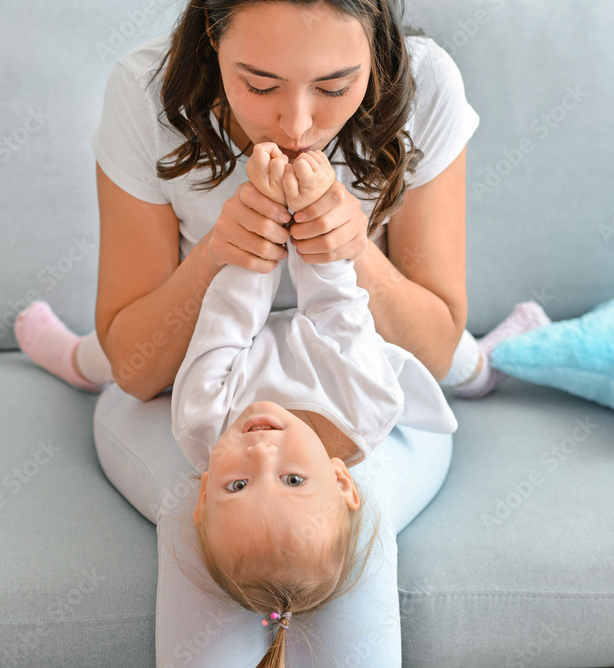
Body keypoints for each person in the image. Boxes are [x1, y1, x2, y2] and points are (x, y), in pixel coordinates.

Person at [14, 0, 550, 663]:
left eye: (334, 86)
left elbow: (433, 347)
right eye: (259, 84)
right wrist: (220, 253)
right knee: (216, 524)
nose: (298, 124)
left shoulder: (426, 83)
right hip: (195, 355)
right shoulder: (146, 92)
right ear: (212, 39)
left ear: (378, 47)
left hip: (351, 349)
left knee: (333, 527)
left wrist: (352, 248)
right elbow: (138, 365)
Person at [172, 140, 459, 665]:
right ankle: (483, 366)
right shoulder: (367, 405)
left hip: (260, 330)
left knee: (105, 360)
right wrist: (308, 206)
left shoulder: (201, 420)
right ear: (343, 480)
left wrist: (264, 216)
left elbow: (227, 321)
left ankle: (71, 356)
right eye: (293, 480)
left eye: (238, 485)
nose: (261, 457)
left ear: (203, 496)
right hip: (355, 339)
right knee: (456, 359)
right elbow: (338, 307)